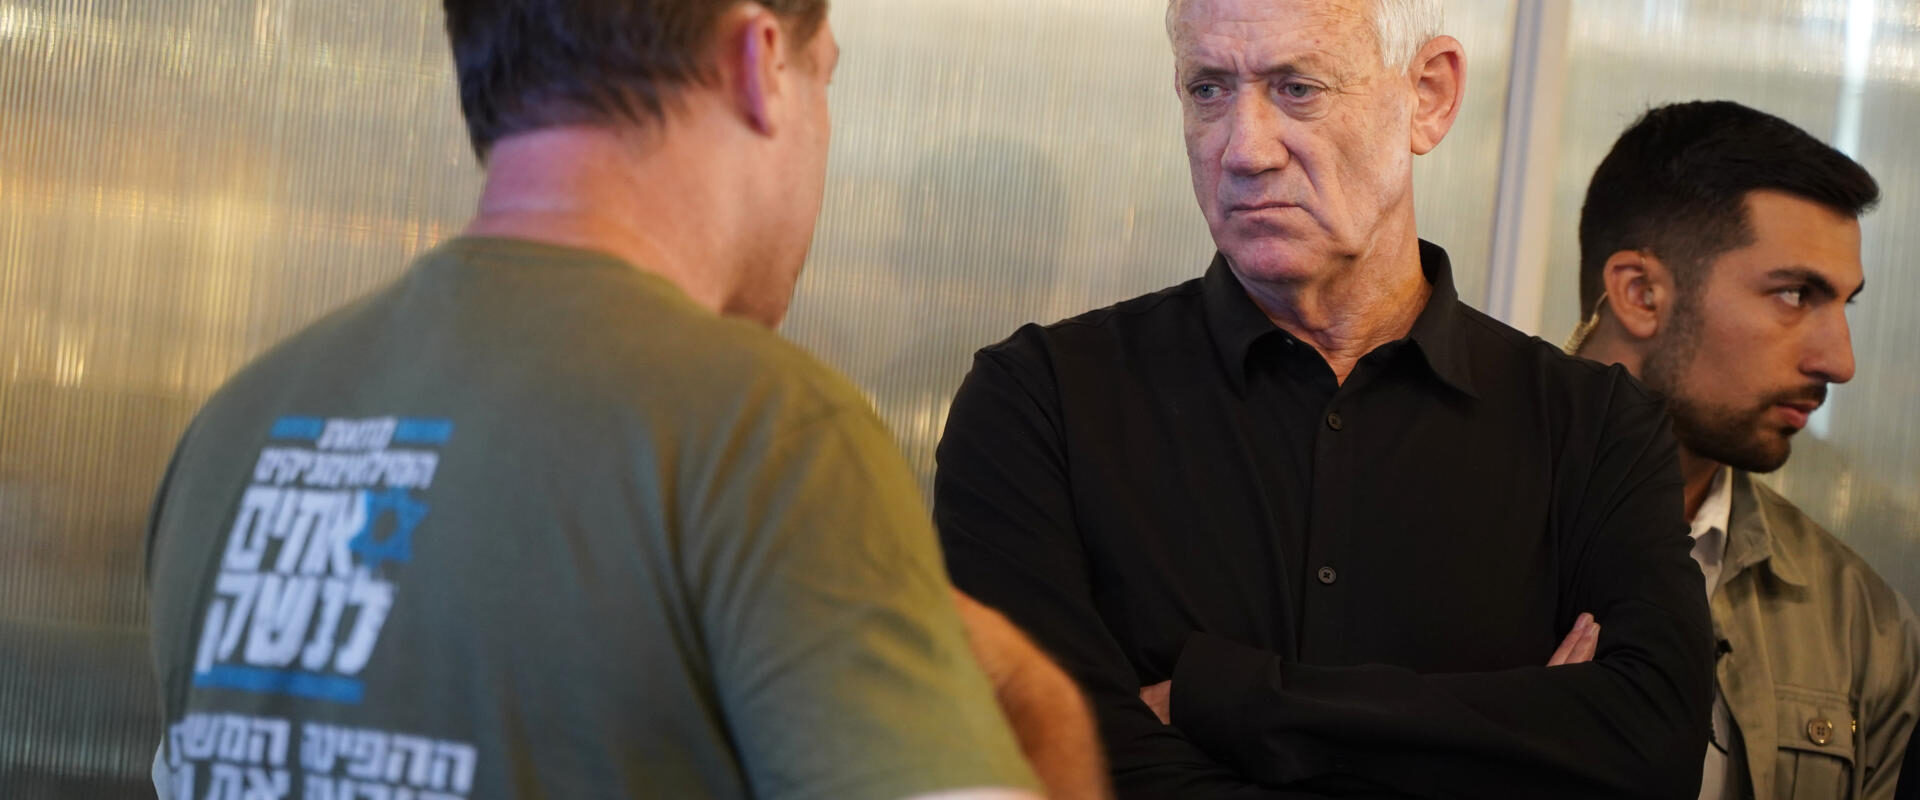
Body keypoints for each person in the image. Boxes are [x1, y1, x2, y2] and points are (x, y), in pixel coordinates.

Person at [143, 1, 1107, 798]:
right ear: (760, 63)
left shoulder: (240, 424)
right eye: (825, 78)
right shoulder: (766, 430)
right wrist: (1039, 702)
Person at [933, 0, 1713, 796]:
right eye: (1207, 89)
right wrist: (1505, 746)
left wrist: (1219, 698)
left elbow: (1650, 751)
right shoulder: (1041, 404)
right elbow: (1049, 761)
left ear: (1430, 95)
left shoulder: (1595, 429)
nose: (1245, 149)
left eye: (1298, 88)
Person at [1568, 100, 1920, 800]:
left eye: (1843, 304)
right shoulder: (1432, 527)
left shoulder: (1860, 625)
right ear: (1640, 294)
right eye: (1794, 294)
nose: (1840, 362)